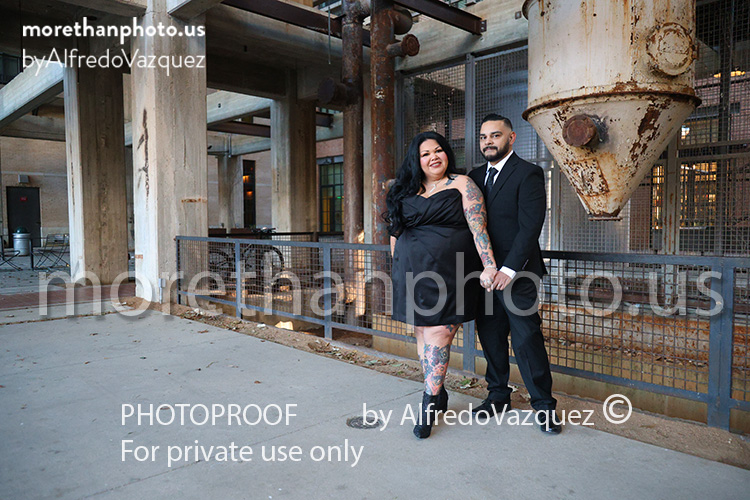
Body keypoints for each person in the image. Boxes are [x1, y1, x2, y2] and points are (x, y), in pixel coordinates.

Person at [385, 131, 498, 439]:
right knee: (422, 332)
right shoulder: (404, 191)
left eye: (438, 150)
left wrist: (489, 265)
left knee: (439, 334)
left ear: (447, 153)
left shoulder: (462, 184)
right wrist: (397, 269)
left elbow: (478, 228)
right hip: (412, 274)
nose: (433, 157)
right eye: (425, 153)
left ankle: (429, 402)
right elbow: (395, 234)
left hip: (451, 273)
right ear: (417, 160)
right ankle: (438, 391)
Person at [468, 114, 561, 434]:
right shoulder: (474, 177)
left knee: (526, 338)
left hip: (518, 274)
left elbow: (530, 226)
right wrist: (485, 269)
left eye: (495, 135)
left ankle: (544, 405)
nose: (488, 142)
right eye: (483, 137)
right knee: (490, 335)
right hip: (483, 275)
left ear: (511, 137)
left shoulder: (528, 173)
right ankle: (497, 395)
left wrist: (508, 269)